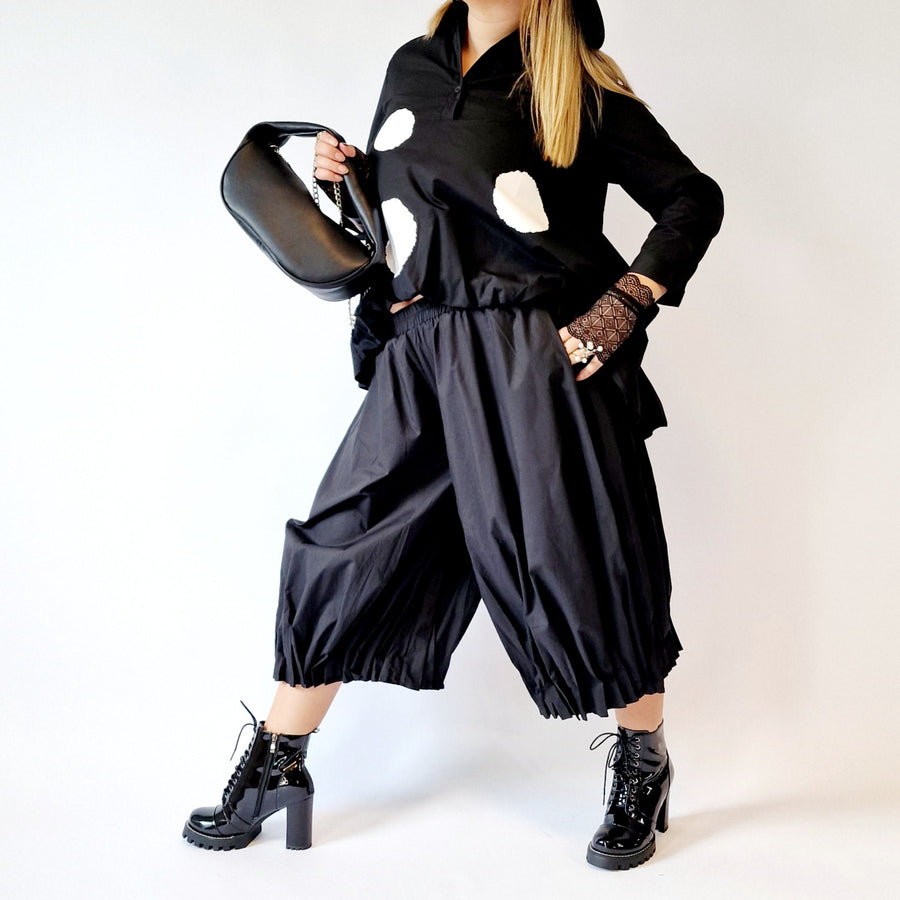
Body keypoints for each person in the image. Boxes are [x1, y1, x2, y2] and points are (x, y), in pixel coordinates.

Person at [183, 0, 724, 871]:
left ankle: (642, 760)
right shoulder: (412, 66)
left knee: (578, 561)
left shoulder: (573, 86)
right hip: (423, 352)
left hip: (531, 358)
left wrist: (620, 310)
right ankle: (279, 760)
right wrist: (345, 183)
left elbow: (692, 198)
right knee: (346, 540)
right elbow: (406, 217)